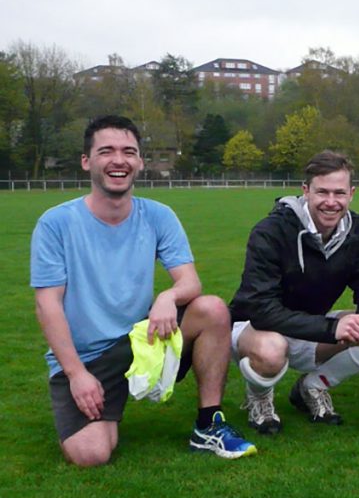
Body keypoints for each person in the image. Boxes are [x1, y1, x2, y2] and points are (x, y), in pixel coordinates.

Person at [30, 115, 255, 466]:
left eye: (128, 152)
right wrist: (76, 374)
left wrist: (168, 297)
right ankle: (103, 405)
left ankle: (208, 424)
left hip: (143, 341)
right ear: (87, 161)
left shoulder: (158, 215)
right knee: (91, 454)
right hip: (87, 358)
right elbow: (48, 306)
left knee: (211, 309)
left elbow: (190, 282)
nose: (118, 160)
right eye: (106, 151)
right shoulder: (56, 223)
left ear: (139, 162)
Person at [228, 151, 359, 433]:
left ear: (352, 194)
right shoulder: (271, 231)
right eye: (322, 192)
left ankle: (311, 387)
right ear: (306, 190)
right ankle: (259, 397)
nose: (331, 202)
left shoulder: (358, 230)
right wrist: (332, 328)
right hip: (255, 329)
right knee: (272, 349)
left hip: (312, 327)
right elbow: (260, 308)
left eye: (339, 193)